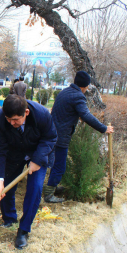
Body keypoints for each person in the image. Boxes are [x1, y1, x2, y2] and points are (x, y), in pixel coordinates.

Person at [0, 94, 57, 249]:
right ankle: (9, 219)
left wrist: (37, 160)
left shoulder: (41, 114)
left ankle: (23, 230)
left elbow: (50, 138)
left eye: (16, 120)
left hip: (38, 152)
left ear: (26, 113)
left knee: (35, 189)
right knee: (6, 185)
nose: (12, 123)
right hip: (14, 153)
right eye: (9, 119)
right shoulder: (0, 118)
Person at [42, 71, 114, 202]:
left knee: (55, 162)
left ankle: (52, 187)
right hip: (61, 136)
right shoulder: (78, 96)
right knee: (59, 165)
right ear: (85, 87)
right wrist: (104, 129)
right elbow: (86, 116)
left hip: (52, 132)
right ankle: (49, 194)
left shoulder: (65, 91)